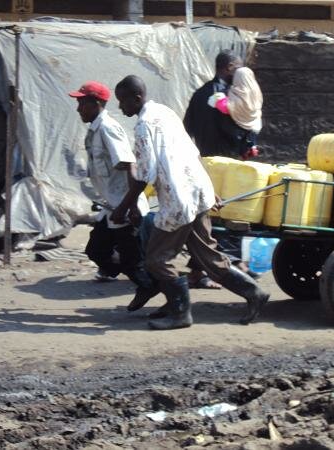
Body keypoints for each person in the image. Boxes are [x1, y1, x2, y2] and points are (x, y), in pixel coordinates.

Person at [111, 75, 270, 330]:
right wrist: (208, 188)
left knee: (157, 260)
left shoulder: (143, 126)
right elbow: (192, 151)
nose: (120, 108)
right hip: (197, 190)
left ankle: (180, 313)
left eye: (122, 102)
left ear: (136, 98)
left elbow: (144, 174)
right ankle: (255, 294)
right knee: (209, 257)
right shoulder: (165, 112)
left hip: (179, 199)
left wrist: (125, 207)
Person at [69, 81, 158, 306]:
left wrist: (132, 207)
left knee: (133, 264)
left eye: (82, 103)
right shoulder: (95, 129)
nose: (79, 109)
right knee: (96, 251)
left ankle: (168, 295)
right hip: (111, 206)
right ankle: (149, 281)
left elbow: (129, 165)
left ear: (96, 103)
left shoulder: (108, 128)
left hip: (124, 207)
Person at [183, 49, 257, 289]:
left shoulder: (200, 93)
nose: (240, 72)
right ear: (227, 68)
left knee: (205, 218)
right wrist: (248, 143)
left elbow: (187, 128)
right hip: (227, 166)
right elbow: (232, 131)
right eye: (237, 68)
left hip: (205, 163)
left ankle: (197, 271)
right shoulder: (224, 98)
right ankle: (230, 268)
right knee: (230, 216)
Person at [208, 66, 263, 161]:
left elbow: (213, 103)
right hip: (248, 141)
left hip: (229, 144)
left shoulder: (231, 96)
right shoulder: (257, 96)